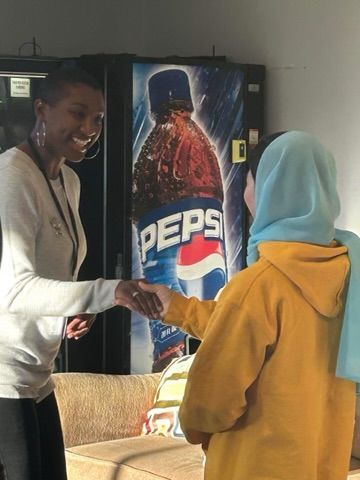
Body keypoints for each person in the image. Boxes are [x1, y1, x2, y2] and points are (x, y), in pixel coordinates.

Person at [137, 130, 360, 480]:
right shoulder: (351, 276)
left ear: (268, 189)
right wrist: (177, 308)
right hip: (323, 465)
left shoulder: (260, 285)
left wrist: (194, 426)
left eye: (250, 181)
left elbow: (211, 401)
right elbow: (252, 327)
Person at [0, 66, 161, 480]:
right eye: (77, 113)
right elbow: (15, 292)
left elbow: (56, 271)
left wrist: (77, 305)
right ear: (41, 109)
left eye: (99, 118)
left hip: (36, 375)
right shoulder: (11, 179)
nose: (89, 128)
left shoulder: (68, 180)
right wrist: (109, 292)